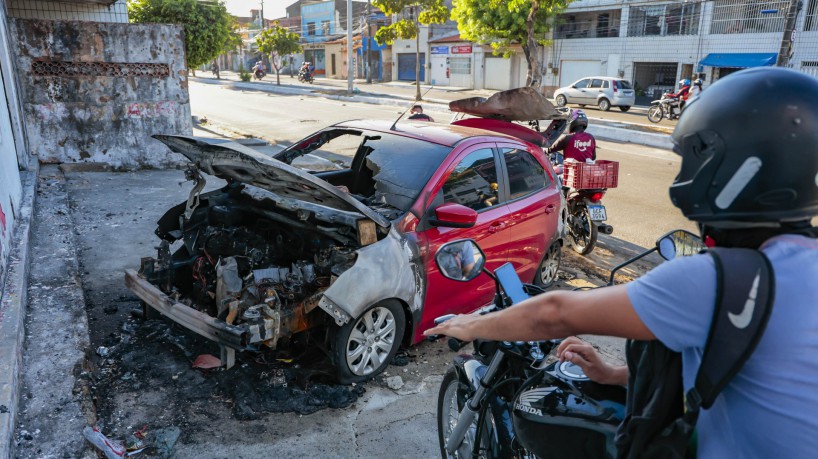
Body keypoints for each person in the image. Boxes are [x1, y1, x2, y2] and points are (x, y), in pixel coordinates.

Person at [425, 67, 818, 458]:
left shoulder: (724, 280)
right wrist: (615, 375)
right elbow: (750, 373)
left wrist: (471, 324)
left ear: (737, 170)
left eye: (696, 159)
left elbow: (556, 312)